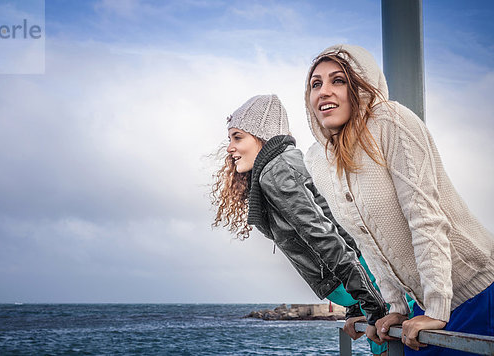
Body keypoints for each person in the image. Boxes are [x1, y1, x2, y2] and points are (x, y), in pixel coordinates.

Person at [303, 44, 494, 354]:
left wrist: (435, 309)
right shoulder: (318, 161)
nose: (324, 91)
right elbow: (366, 240)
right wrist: (395, 306)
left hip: (478, 291)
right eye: (316, 84)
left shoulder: (391, 122)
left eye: (338, 80)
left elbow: (425, 218)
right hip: (426, 305)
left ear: (361, 86)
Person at [211, 94, 388, 355]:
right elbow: (333, 223)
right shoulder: (280, 165)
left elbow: (322, 235)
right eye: (230, 139)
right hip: (365, 287)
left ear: (262, 136)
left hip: (371, 287)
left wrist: (371, 303)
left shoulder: (276, 171)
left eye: (238, 137)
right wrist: (356, 307)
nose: (230, 147)